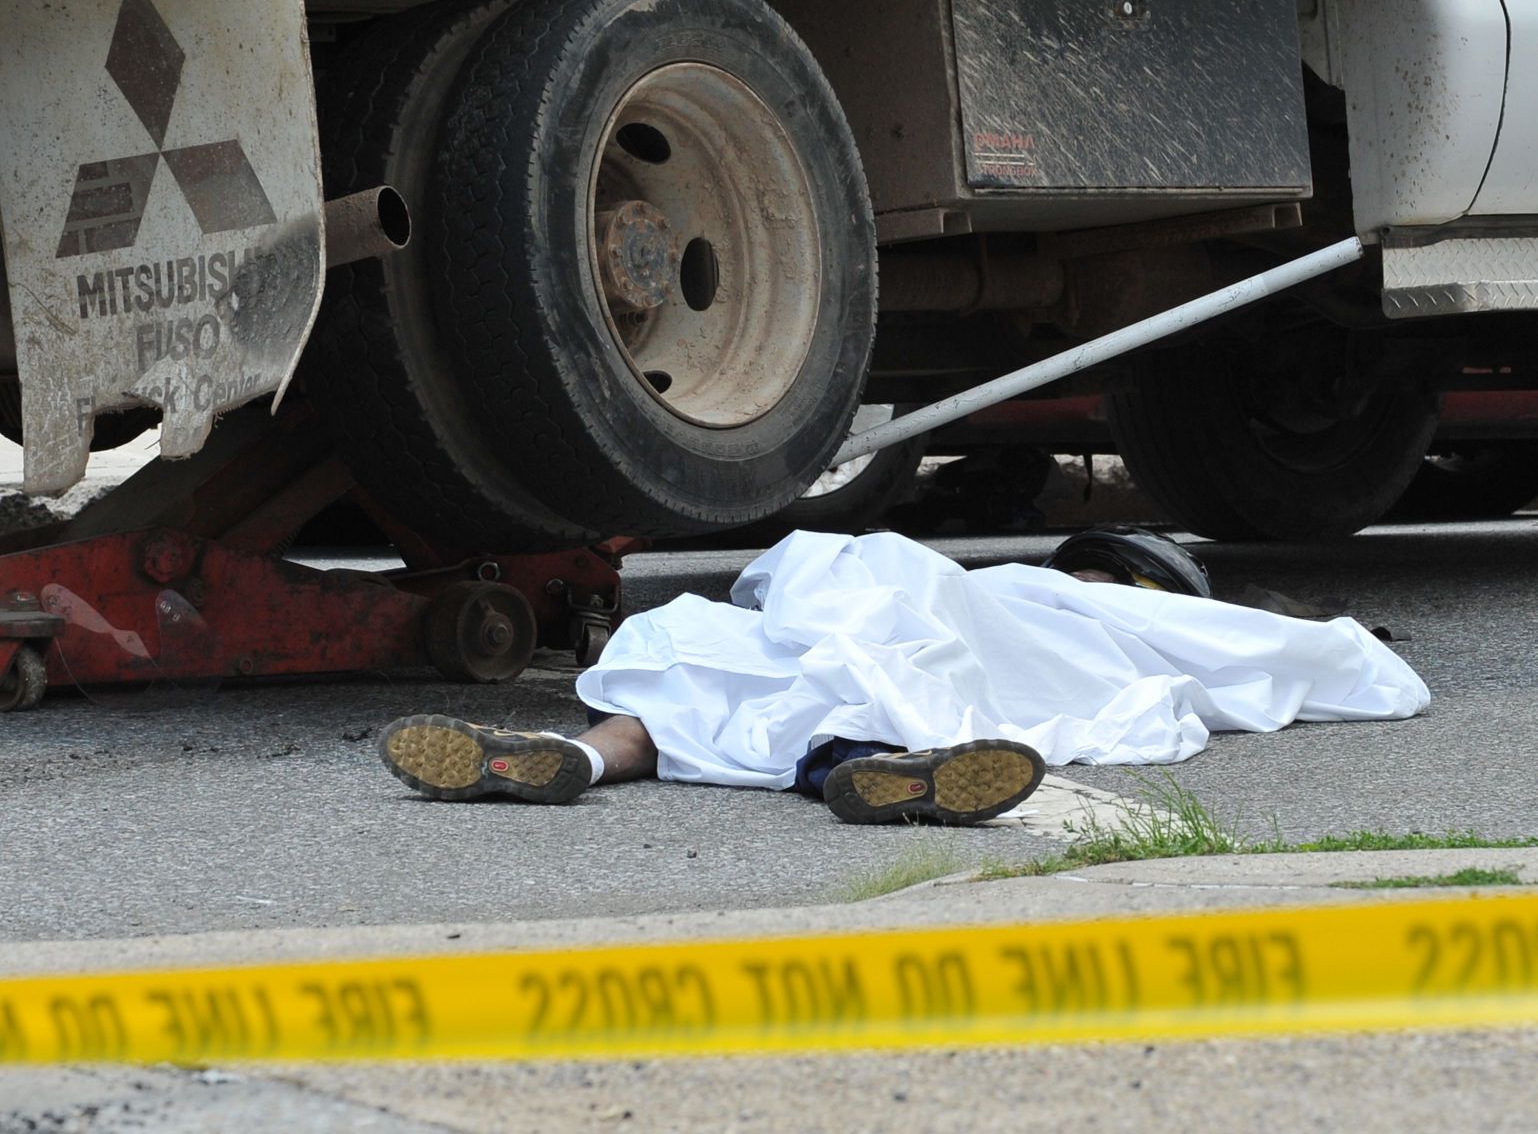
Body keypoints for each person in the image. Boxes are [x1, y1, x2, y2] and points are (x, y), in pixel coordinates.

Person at [378, 527, 1429, 826]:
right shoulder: (1047, 596)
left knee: (692, 682)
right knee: (837, 669)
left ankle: (573, 757)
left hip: (848, 617)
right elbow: (1288, 662)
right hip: (873, 619)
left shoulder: (1081, 601)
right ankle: (861, 770)